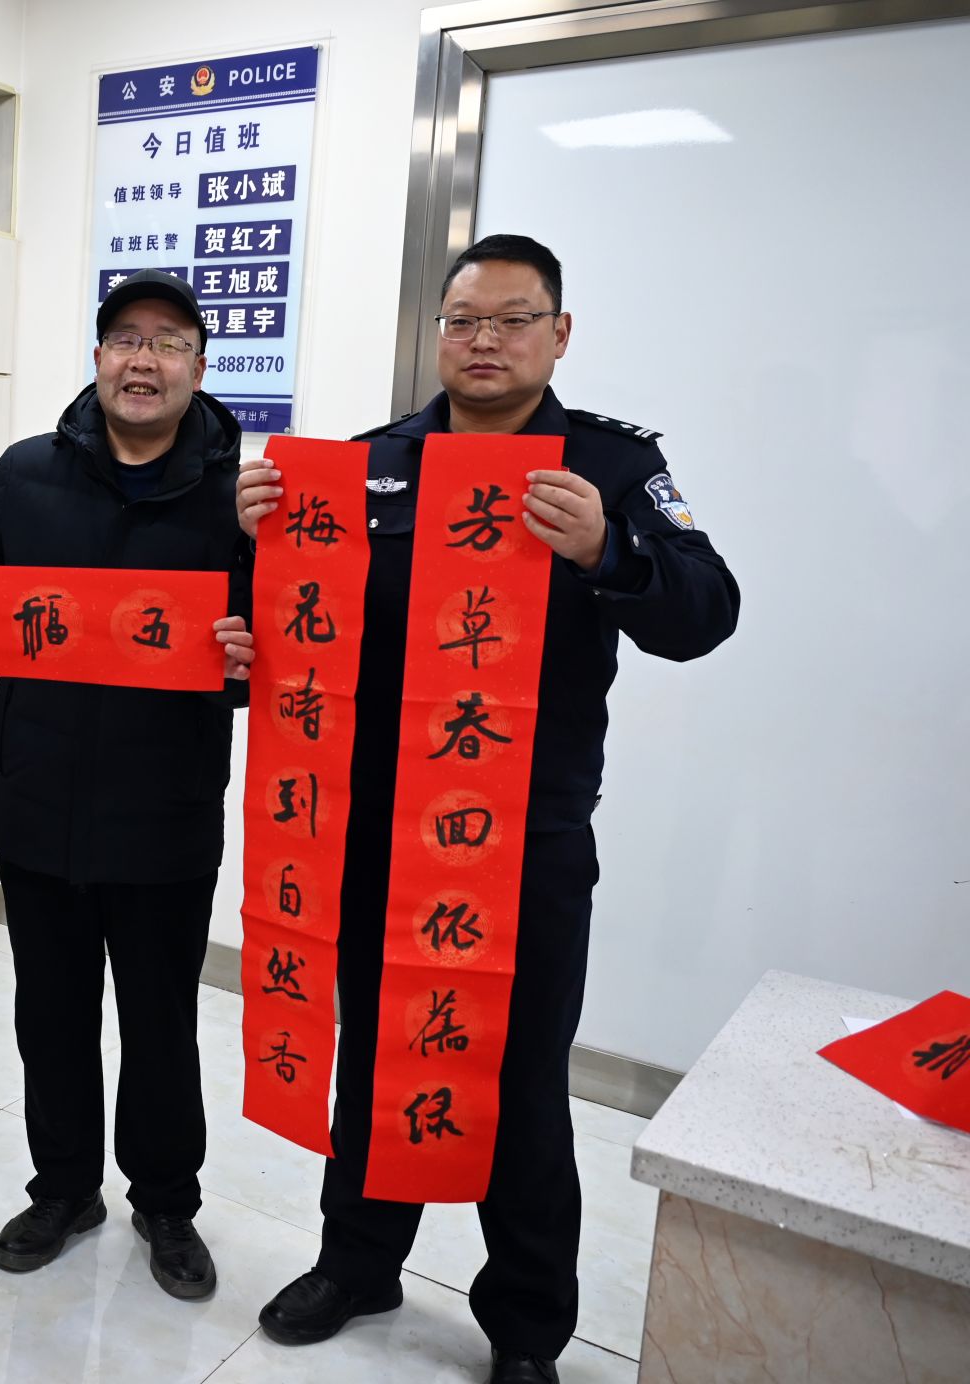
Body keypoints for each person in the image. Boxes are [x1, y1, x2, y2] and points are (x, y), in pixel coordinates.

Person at [238, 234, 739, 1383]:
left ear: (557, 334)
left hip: (522, 843)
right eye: (462, 320)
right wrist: (253, 532)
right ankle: (357, 1262)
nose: (483, 341)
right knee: (377, 1052)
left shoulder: (609, 466)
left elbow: (705, 610)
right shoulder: (368, 465)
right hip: (378, 829)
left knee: (516, 1082)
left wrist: (609, 550)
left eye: (512, 320)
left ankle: (524, 1324)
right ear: (438, 333)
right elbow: (292, 627)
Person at [0, 269, 256, 1299]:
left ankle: (166, 1202)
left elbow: (284, 655)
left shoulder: (241, 501)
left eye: (168, 342)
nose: (142, 360)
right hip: (39, 802)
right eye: (125, 338)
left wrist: (250, 657)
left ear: (198, 367)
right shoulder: (27, 473)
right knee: (52, 1016)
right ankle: (64, 1189)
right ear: (98, 357)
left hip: (165, 810)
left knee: (159, 1023)